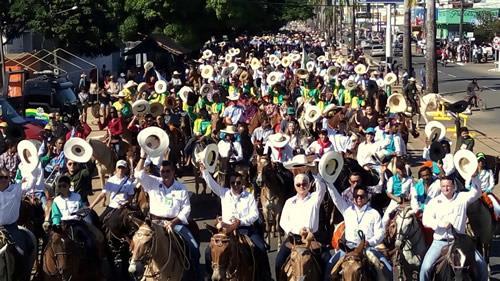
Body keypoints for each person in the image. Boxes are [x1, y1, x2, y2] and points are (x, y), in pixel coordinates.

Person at [134, 150, 202, 281]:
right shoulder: (153, 182)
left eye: (167, 171)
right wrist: (143, 156)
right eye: (163, 171)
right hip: (154, 224)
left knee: (194, 247)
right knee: (138, 243)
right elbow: (137, 173)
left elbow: (187, 208)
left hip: (174, 224)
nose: (165, 174)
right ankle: (136, 270)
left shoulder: (181, 187)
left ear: (173, 172)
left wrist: (174, 222)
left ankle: (196, 276)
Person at [200, 166, 272, 281]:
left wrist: (240, 222)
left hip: (245, 229)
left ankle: (265, 276)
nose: (235, 185)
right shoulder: (224, 193)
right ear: (229, 183)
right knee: (209, 250)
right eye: (232, 182)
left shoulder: (248, 196)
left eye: (238, 182)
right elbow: (212, 184)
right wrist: (204, 171)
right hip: (225, 231)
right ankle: (209, 275)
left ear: (242, 182)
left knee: (261, 248)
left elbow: (254, 215)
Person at [420, 175, 488, 281]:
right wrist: (439, 223)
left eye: (448, 186)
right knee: (425, 268)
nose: (445, 189)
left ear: (454, 186)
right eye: (443, 186)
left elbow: (477, 192)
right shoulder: (433, 202)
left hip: (460, 241)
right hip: (440, 242)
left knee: (482, 264)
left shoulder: (462, 197)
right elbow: (426, 220)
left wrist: (474, 178)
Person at [325, 183, 392, 280]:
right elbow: (336, 198)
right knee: (329, 268)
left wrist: (370, 242)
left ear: (367, 197)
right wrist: (329, 182)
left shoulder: (374, 213)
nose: (359, 198)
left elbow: (380, 233)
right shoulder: (347, 210)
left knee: (387, 269)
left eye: (361, 196)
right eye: (356, 196)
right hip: (348, 249)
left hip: (367, 249)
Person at [275, 173, 329, 280]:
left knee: (328, 261)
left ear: (309, 185)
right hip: (293, 239)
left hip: (312, 239)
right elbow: (283, 221)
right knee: (278, 261)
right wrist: (297, 230)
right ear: (295, 186)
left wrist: (315, 173)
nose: (302, 186)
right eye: (298, 184)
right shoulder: (289, 202)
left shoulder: (315, 198)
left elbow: (322, 188)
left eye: (304, 184)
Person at [381, 158, 413, 227]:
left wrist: (409, 197)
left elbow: (412, 191)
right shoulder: (392, 179)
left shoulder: (409, 179)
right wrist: (397, 199)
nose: (402, 171)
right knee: (384, 221)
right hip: (395, 202)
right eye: (400, 169)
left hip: (407, 202)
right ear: (397, 169)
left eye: (403, 168)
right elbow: (389, 193)